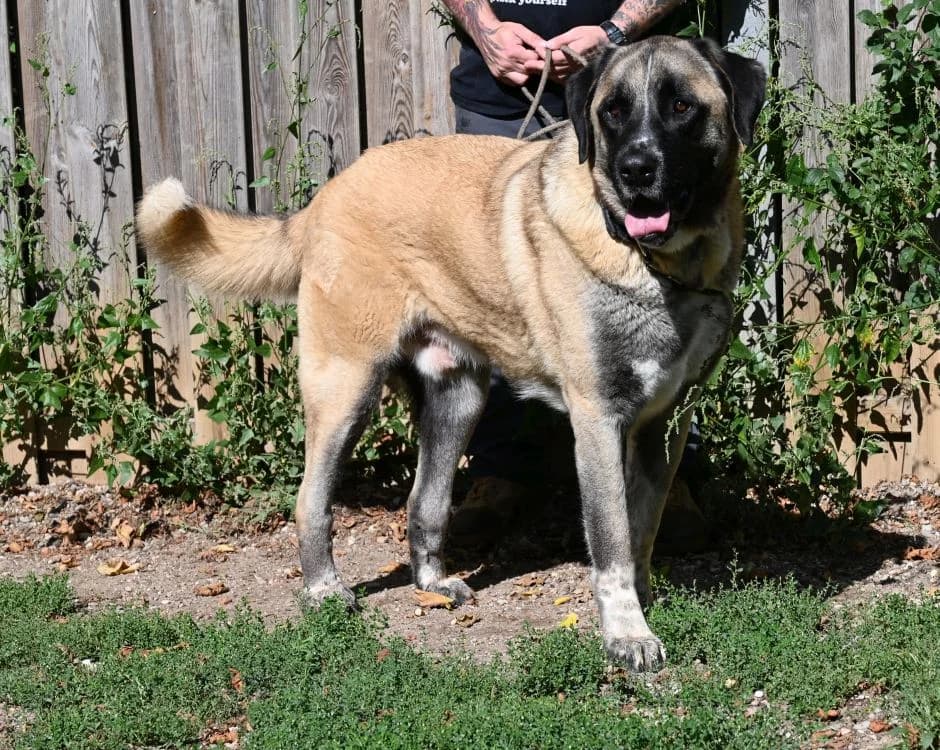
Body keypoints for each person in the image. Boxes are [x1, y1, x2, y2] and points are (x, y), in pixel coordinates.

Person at [441, 0, 707, 552]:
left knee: (669, 297)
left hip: (631, 86)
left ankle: (664, 483)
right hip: (499, 94)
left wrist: (616, 32)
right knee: (498, 303)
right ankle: (500, 473)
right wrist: (484, 29)